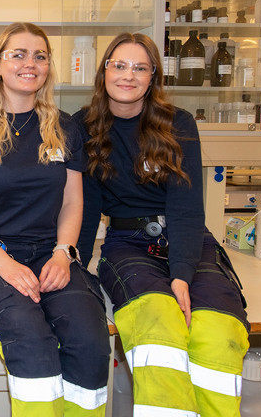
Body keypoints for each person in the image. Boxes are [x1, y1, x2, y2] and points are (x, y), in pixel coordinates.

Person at [76, 32, 249, 417]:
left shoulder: (177, 123)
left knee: (217, 332)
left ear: (153, 76)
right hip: (127, 243)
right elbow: (85, 209)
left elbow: (187, 207)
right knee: (159, 329)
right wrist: (77, 267)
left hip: (188, 240)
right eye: (119, 65)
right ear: (104, 71)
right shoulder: (83, 127)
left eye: (140, 68)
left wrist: (182, 274)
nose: (128, 75)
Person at [0, 22, 111, 417]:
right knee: (30, 337)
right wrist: (4, 264)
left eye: (40, 56)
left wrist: (63, 253)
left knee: (89, 339)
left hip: (49, 253)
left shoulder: (65, 127)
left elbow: (74, 202)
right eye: (18, 54)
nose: (30, 63)